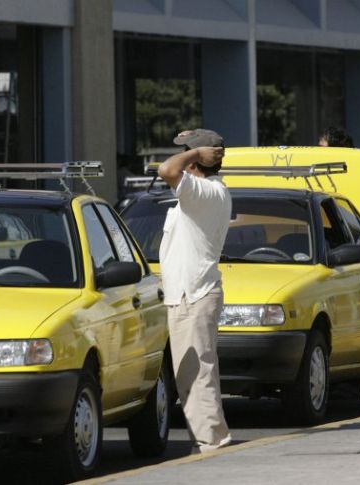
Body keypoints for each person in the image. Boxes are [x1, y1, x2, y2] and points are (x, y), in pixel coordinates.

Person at [157, 128, 232, 454]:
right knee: (192, 373)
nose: (183, 158)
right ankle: (212, 438)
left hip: (195, 293)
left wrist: (195, 156)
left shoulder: (206, 192)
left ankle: (213, 442)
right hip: (187, 294)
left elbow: (167, 170)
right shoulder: (204, 192)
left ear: (197, 160)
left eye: (188, 153)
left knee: (196, 373)